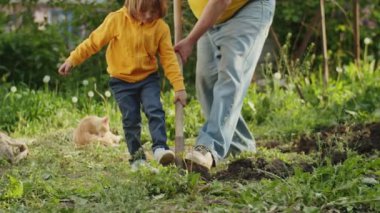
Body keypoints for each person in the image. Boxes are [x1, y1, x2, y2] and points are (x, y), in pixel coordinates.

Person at [58, 0, 187, 166]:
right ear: (132, 5)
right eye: (143, 11)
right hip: (122, 82)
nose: (148, 16)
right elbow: (93, 42)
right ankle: (137, 158)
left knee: (155, 110)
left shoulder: (161, 28)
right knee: (131, 119)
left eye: (153, 11)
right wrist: (72, 59)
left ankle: (160, 149)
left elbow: (169, 59)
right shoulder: (116, 20)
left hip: (148, 78)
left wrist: (179, 87)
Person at [174, 0, 275, 171]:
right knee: (206, 80)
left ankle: (209, 146)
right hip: (211, 15)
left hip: (247, 8)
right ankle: (240, 146)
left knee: (230, 72)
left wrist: (190, 40)